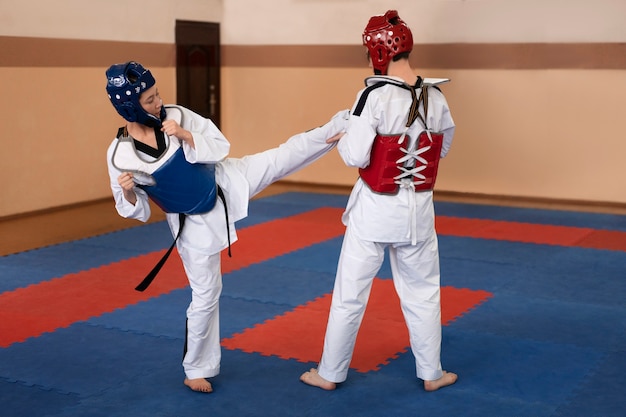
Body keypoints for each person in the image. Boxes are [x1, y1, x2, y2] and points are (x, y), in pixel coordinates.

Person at [105, 61, 348, 393]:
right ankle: (196, 369)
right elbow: (137, 211)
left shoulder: (178, 115)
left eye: (157, 94)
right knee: (206, 294)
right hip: (191, 223)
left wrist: (186, 134)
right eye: (149, 100)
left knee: (280, 158)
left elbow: (220, 147)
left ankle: (341, 125)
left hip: (227, 180)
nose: (158, 102)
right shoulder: (120, 155)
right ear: (130, 107)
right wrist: (130, 191)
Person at [300, 10, 457, 392]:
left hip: (374, 212)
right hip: (419, 212)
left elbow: (356, 157)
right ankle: (432, 373)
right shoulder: (435, 95)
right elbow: (444, 148)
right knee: (423, 293)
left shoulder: (373, 95)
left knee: (350, 295)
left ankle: (329, 374)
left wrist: (350, 131)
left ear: (378, 51)